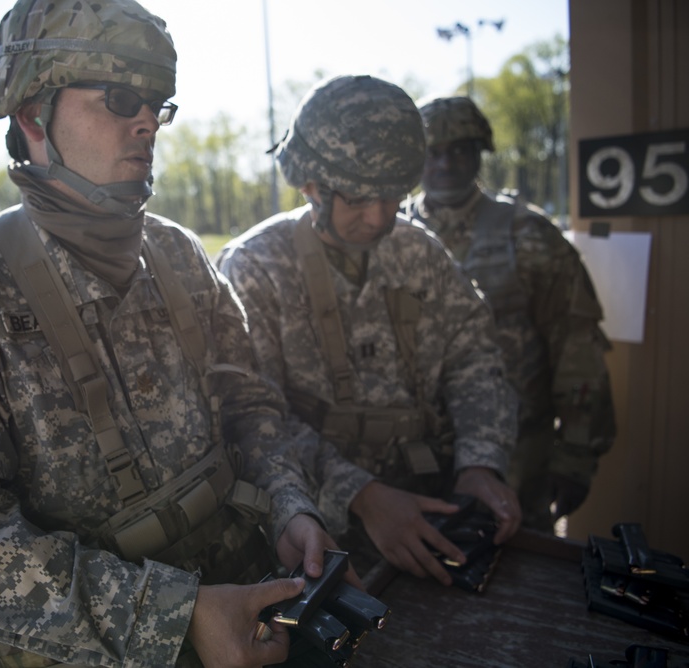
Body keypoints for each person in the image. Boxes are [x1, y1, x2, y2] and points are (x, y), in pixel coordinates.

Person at [0, 2, 347, 666]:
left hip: (255, 612)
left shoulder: (177, 255)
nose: (147, 120)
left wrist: (291, 506)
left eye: (156, 104)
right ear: (33, 113)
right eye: (120, 98)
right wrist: (175, 619)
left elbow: (250, 408)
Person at [217, 75, 522, 586]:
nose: (380, 217)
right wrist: (362, 495)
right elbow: (254, 418)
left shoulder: (418, 250)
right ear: (308, 182)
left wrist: (480, 463)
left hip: (436, 499)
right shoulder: (257, 268)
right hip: (325, 528)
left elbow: (476, 360)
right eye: (357, 197)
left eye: (395, 194)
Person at [407, 95, 617, 532]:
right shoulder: (390, 233)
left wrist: (576, 454)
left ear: (478, 154)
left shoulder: (526, 235)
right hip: (414, 461)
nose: (444, 164)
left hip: (515, 458)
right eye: (433, 152)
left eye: (459, 151)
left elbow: (576, 346)